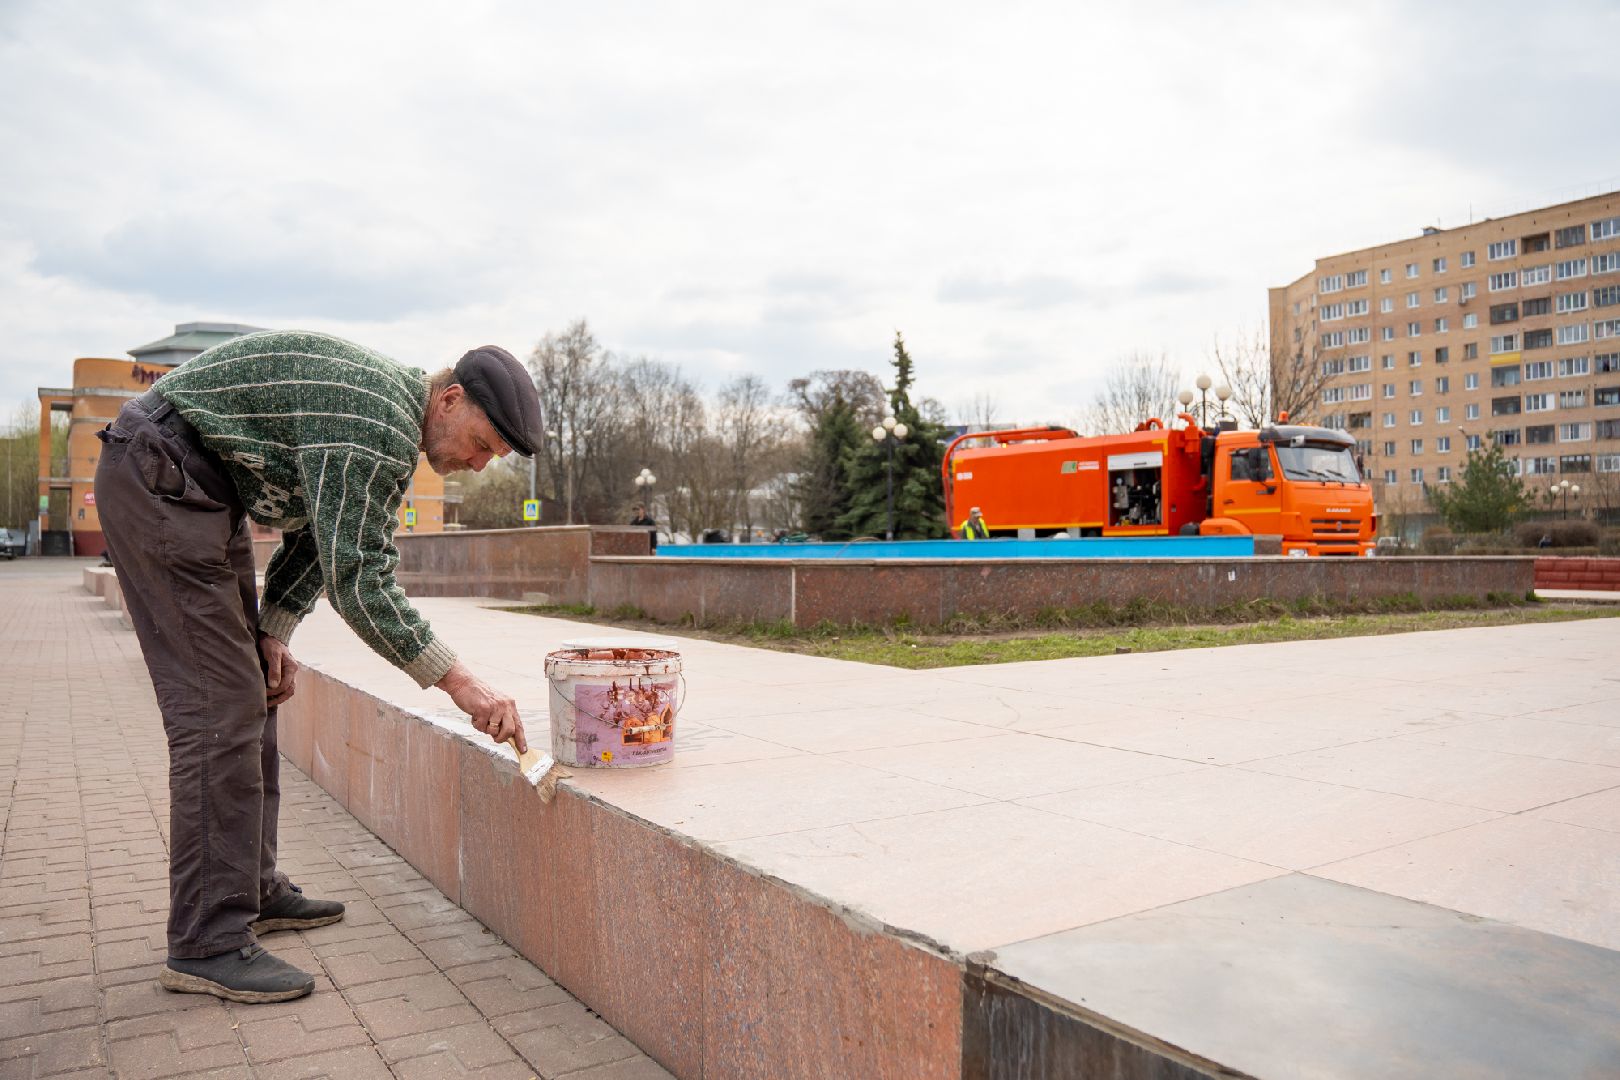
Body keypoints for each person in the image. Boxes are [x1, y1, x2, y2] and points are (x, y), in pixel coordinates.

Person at [93, 330, 543, 1005]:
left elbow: (315, 535)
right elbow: (358, 578)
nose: (481, 465)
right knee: (217, 710)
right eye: (483, 445)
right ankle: (207, 941)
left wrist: (272, 631)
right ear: (449, 399)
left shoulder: (385, 421)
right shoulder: (377, 425)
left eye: (494, 458)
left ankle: (251, 890)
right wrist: (460, 682)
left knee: (256, 687)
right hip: (164, 476)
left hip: (198, 485)